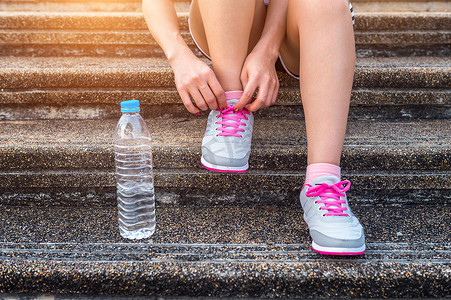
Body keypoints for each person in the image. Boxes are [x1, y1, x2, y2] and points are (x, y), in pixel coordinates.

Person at [142, 0, 365, 255]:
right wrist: (179, 56)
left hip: (304, 25)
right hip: (227, 20)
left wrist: (268, 50)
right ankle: (232, 102)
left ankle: (323, 183)